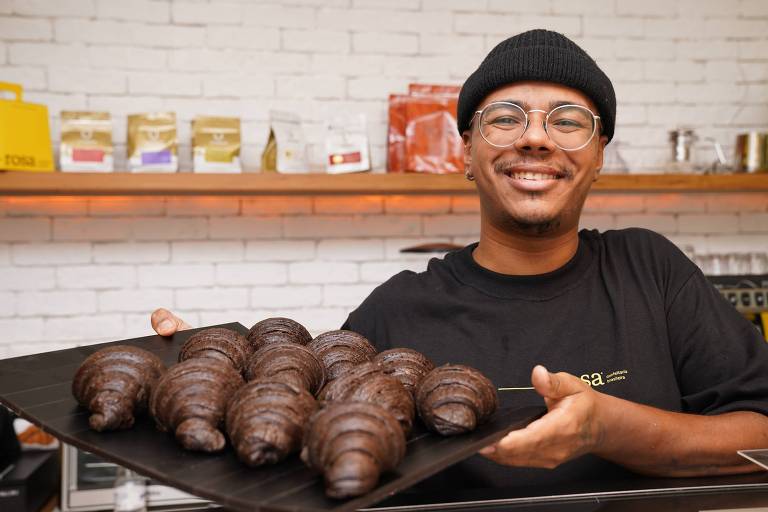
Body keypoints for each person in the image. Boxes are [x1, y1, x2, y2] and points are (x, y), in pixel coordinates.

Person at [152, 29, 768, 491]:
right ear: (466, 154)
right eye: (504, 119)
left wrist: (607, 429)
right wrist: (197, 376)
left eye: (568, 120)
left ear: (599, 154)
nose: (535, 137)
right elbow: (302, 439)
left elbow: (761, 432)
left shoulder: (651, 270)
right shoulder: (398, 309)